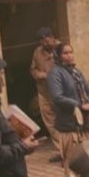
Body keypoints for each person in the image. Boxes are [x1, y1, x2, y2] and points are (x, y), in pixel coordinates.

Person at [48, 43, 89, 170]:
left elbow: (88, 90)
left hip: (85, 124)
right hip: (69, 125)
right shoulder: (55, 73)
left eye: (71, 52)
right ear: (58, 56)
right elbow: (57, 97)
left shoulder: (76, 72)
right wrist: (80, 106)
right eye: (65, 53)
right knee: (73, 164)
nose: (69, 56)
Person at [30, 27, 63, 164]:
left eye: (46, 39)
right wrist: (40, 75)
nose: (44, 42)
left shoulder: (61, 49)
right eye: (41, 40)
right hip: (44, 93)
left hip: (60, 93)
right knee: (50, 123)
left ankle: (70, 149)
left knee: (63, 121)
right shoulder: (37, 52)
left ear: (52, 37)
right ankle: (61, 150)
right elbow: (33, 70)